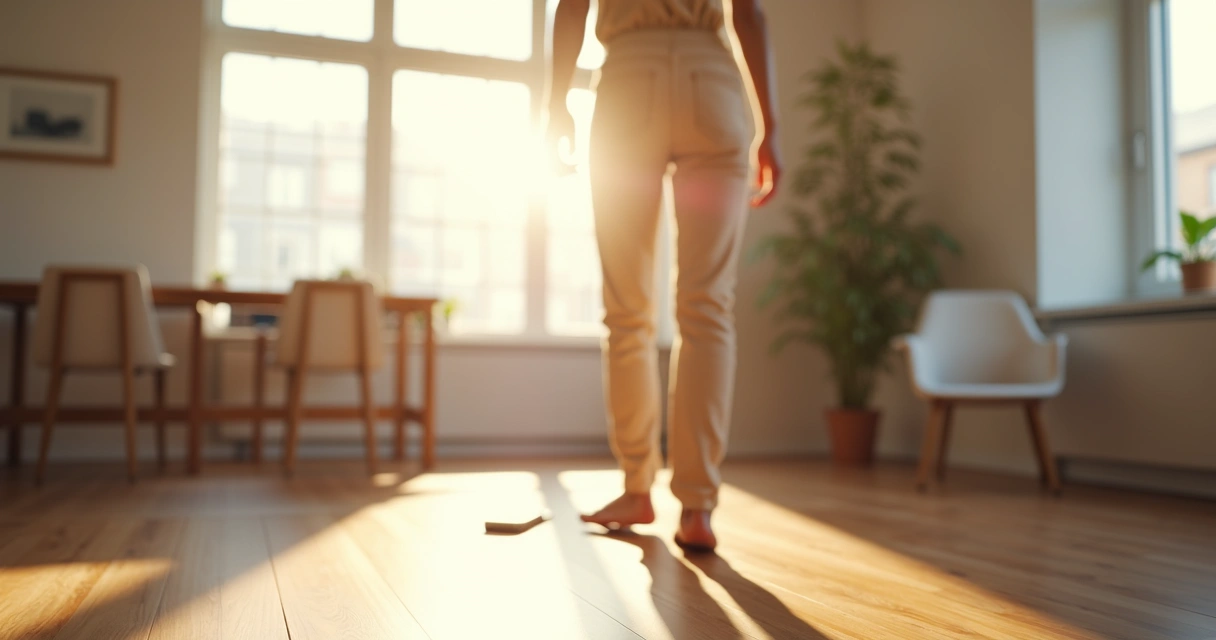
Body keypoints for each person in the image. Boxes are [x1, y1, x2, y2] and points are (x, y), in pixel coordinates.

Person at [545, 0, 781, 552]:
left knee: (627, 309)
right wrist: (770, 128)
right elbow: (748, 12)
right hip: (712, 86)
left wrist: (556, 104)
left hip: (630, 82)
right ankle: (697, 506)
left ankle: (636, 488)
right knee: (708, 306)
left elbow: (572, 5)